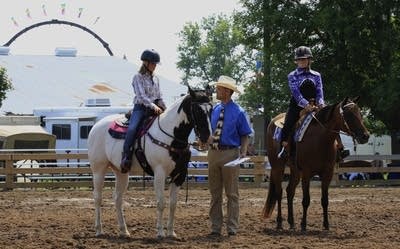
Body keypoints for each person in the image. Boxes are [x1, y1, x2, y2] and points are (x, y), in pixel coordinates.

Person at [278, 46, 348, 160]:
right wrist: (306, 105)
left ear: (309, 60)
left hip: (315, 104)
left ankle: (340, 148)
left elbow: (319, 91)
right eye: (299, 60)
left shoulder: (316, 75)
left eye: (304, 59)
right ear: (296, 61)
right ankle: (283, 149)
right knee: (288, 124)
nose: (301, 62)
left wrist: (321, 103)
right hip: (297, 105)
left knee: (331, 119)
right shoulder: (292, 75)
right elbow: (296, 93)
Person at [207, 75, 252, 237]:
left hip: (230, 153)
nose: (216, 91)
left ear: (227, 91)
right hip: (213, 152)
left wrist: (243, 151)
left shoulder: (239, 112)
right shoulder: (213, 110)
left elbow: (245, 134)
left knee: (232, 193)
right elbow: (209, 131)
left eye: (219, 88)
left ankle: (232, 228)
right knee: (215, 193)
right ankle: (215, 227)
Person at [120, 49, 165, 173]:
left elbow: (159, 95)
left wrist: (164, 107)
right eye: (153, 63)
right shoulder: (137, 77)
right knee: (132, 128)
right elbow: (141, 96)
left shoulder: (156, 79)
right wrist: (153, 106)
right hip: (141, 108)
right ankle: (126, 157)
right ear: (145, 63)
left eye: (156, 64)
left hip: (155, 108)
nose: (155, 66)